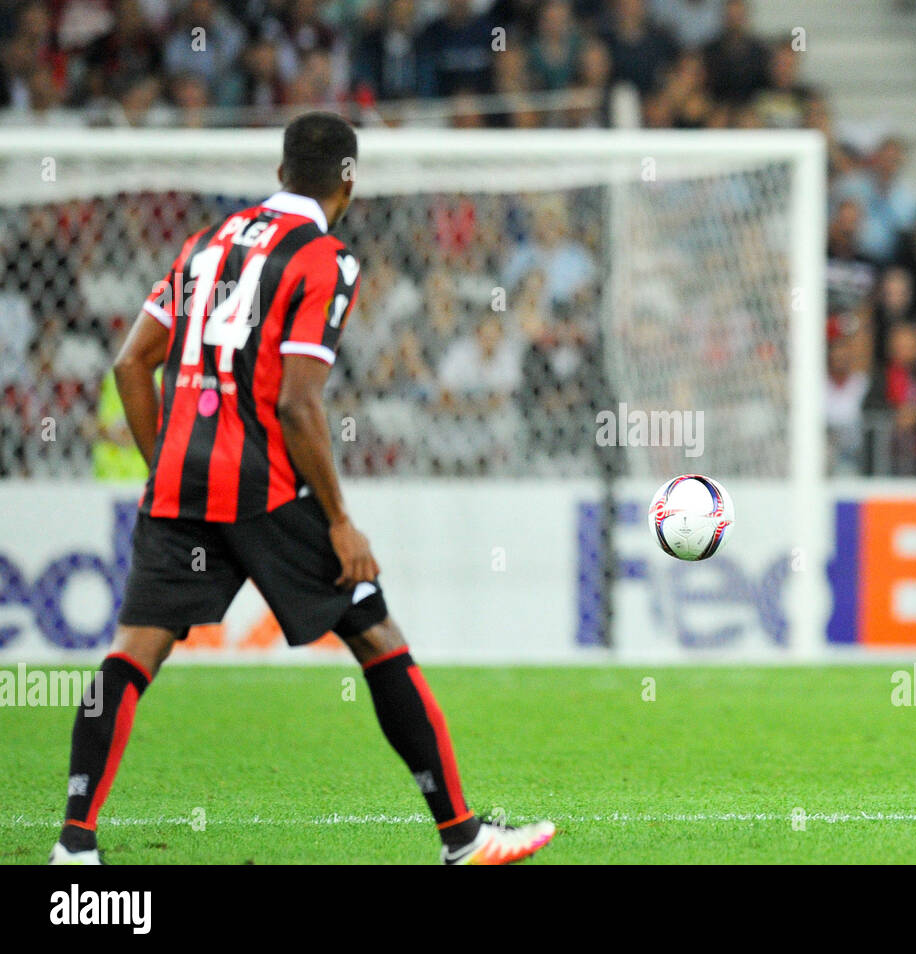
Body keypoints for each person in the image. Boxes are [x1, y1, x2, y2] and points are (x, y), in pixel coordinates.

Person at [49, 112, 554, 866]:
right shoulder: (327, 261)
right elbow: (295, 401)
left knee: (131, 653)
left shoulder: (203, 245)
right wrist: (342, 521)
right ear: (347, 180)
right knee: (376, 635)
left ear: (282, 173)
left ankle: (74, 847)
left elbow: (130, 364)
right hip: (266, 486)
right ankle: (462, 837)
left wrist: (168, 463)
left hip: (180, 484)